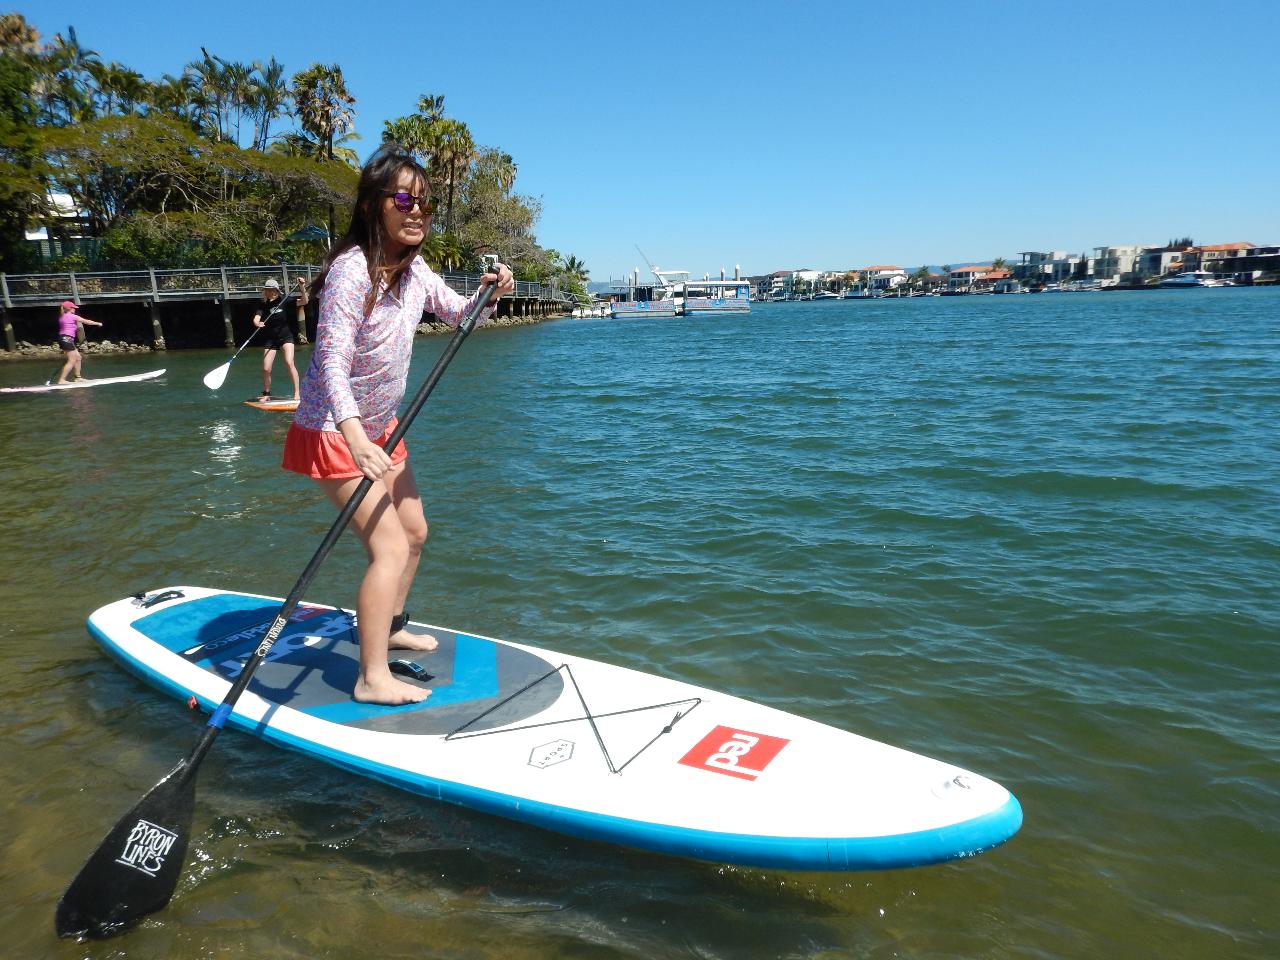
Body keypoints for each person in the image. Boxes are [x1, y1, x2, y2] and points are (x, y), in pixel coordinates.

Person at [281, 143, 514, 706]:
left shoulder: (415, 272)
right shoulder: (350, 272)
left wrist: (490, 291)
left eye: (425, 203)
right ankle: (371, 677)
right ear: (374, 205)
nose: (416, 212)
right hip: (336, 431)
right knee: (387, 548)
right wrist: (355, 436)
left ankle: (388, 627)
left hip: (383, 425)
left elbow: (459, 314)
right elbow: (330, 360)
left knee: (414, 534)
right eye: (404, 198)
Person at [251, 277, 307, 400]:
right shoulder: (263, 304)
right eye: (267, 290)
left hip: (286, 337)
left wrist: (302, 287)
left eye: (271, 290)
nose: (269, 292)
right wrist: (258, 323)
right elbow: (256, 318)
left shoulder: (284, 301)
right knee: (266, 368)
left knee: (289, 362)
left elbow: (304, 301)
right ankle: (266, 394)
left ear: (276, 291)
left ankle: (297, 393)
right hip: (271, 339)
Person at [54, 301, 103, 384]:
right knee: (72, 360)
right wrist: (97, 323)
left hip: (65, 339)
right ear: (69, 308)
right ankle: (61, 380)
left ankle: (78, 378)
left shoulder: (62, 317)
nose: (75, 309)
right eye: (74, 308)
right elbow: (86, 321)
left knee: (78, 357)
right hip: (67, 339)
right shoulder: (72, 316)